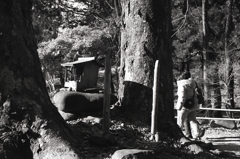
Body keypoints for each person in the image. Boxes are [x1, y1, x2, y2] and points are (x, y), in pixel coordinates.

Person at [176, 71, 205, 140]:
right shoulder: (193, 83)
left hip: (184, 106)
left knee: (180, 122)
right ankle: (197, 135)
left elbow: (182, 97)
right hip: (193, 105)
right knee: (193, 120)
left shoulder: (182, 84)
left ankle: (178, 136)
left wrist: (179, 106)